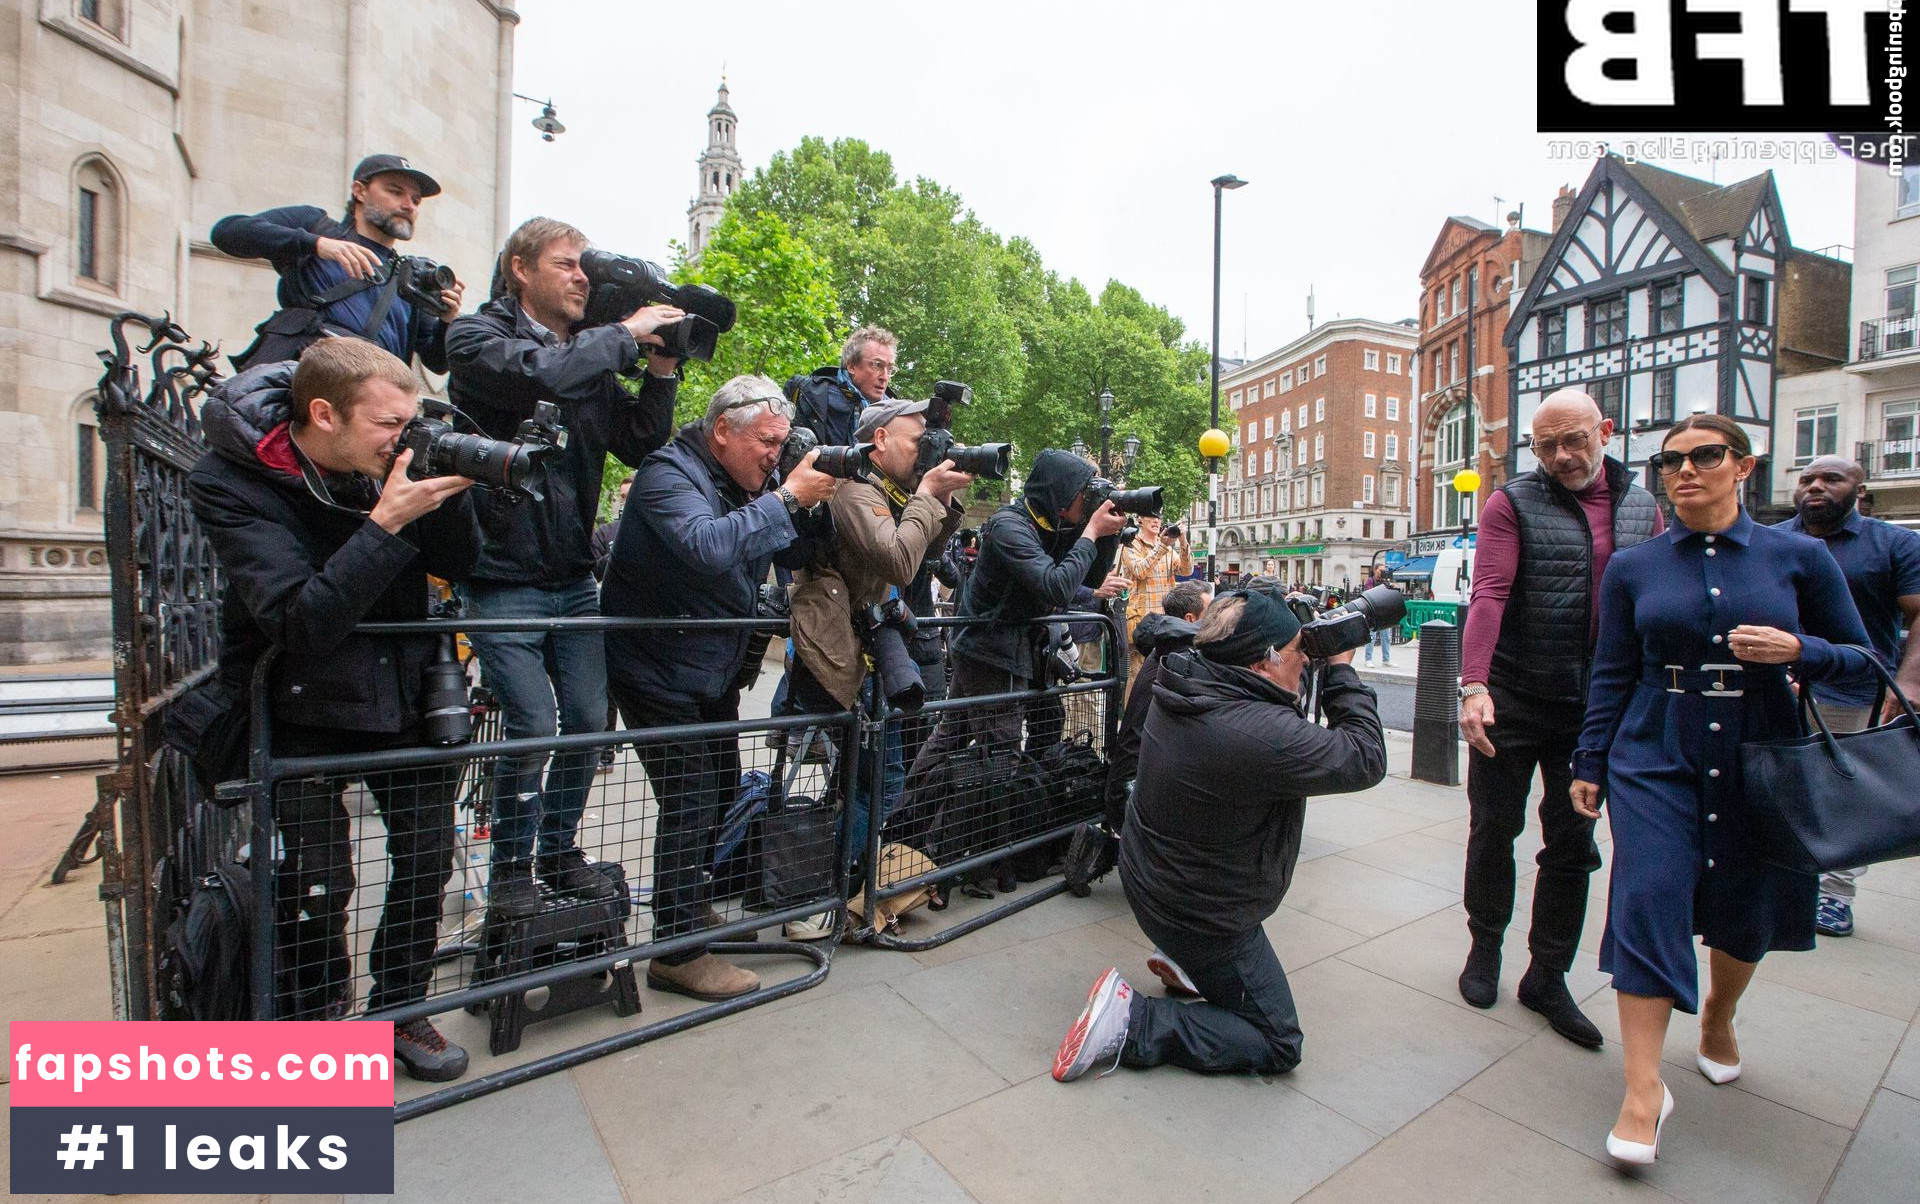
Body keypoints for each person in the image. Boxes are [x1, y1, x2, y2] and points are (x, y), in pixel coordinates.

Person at [1571, 415, 1872, 1164]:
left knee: (1747, 904)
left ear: (1743, 465)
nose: (1685, 470)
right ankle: (1643, 1090)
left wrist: (1801, 649)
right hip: (1654, 742)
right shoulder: (1634, 567)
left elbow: (1868, 659)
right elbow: (1611, 670)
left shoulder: (1797, 557)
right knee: (1647, 894)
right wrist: (1590, 760)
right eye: (1669, 460)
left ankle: (1718, 1014)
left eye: (1705, 455)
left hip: (1759, 744)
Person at [186, 339, 479, 1081]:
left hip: (409, 692)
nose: (401, 437)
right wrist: (384, 524)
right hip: (302, 701)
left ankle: (400, 1009)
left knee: (425, 857)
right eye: (388, 423)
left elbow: (462, 564)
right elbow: (299, 622)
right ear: (324, 414)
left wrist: (450, 490)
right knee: (321, 879)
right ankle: (322, 1030)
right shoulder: (233, 478)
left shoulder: (388, 461)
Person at [445, 217, 685, 915]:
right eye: (568, 264)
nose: (584, 276)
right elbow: (537, 376)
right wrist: (623, 335)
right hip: (499, 574)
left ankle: (557, 852)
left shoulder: (588, 357)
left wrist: (663, 368)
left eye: (586, 266)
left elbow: (638, 442)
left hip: (573, 576)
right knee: (533, 725)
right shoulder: (475, 337)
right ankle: (513, 867)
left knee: (586, 720)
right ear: (521, 268)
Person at [1051, 590, 1387, 1082]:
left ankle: (1193, 968)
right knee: (1277, 1041)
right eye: (1299, 652)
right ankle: (1133, 1020)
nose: (1304, 662)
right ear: (1265, 663)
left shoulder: (1188, 674)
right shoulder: (1258, 731)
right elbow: (1366, 756)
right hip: (1200, 916)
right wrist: (1339, 669)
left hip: (1152, 882)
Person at [602, 377, 837, 1001]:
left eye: (781, 444)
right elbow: (704, 548)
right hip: (656, 670)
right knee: (691, 798)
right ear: (722, 429)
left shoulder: (742, 485)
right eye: (767, 441)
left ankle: (687, 907)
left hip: (708, 673)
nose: (774, 455)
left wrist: (832, 500)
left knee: (722, 788)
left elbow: (792, 553)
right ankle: (677, 951)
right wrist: (788, 498)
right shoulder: (667, 475)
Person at [1455, 388, 1663, 1048]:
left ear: (1605, 429)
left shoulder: (1642, 505)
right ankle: (1484, 947)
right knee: (1494, 828)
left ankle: (1547, 974)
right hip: (1513, 698)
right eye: (1547, 446)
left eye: (1575, 440)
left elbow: (1653, 603)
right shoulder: (1510, 502)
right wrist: (1474, 685)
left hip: (1593, 711)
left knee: (1573, 846)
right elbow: (1488, 592)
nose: (1563, 456)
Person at [785, 399, 972, 937]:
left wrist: (943, 496)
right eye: (919, 441)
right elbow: (898, 560)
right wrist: (928, 495)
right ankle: (828, 895)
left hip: (867, 649)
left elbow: (927, 558)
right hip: (839, 652)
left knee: (878, 777)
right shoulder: (855, 489)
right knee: (867, 780)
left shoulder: (886, 491)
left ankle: (849, 893)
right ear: (881, 438)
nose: (927, 451)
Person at [905, 449, 1127, 784]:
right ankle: (979, 822)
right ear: (1061, 494)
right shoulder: (1009, 526)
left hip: (1005, 647)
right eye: (1084, 492)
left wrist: (1105, 536)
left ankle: (910, 818)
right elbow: (1056, 587)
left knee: (1033, 722)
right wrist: (1091, 532)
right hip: (990, 650)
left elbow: (1090, 579)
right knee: (999, 745)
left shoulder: (1052, 523)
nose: (1088, 499)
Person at [1773, 455, 1920, 938]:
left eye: (1831, 479)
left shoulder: (1893, 543)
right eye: (1808, 479)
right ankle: (1789, 881)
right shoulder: (1774, 539)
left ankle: (1835, 894)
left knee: (1847, 793)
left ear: (1859, 489)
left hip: (1857, 690)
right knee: (1787, 785)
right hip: (1785, 685)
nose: (1816, 486)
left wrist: (1911, 680)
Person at [212, 154, 463, 372]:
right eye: (395, 191)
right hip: (304, 384)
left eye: (416, 200)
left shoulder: (411, 277)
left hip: (373, 401)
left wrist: (447, 320)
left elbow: (437, 362)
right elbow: (227, 232)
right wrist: (316, 244)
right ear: (360, 191)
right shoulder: (316, 225)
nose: (409, 205)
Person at [1066, 581, 1212, 899]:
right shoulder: (1180, 660)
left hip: (1136, 785)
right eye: (1210, 612)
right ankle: (1107, 850)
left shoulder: (1169, 649)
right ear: (1190, 620)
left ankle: (1117, 850)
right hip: (1135, 792)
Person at [785, 325, 899, 445]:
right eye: (877, 365)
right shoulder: (807, 392)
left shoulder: (892, 413)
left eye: (890, 368)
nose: (885, 377)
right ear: (851, 366)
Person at [1116, 515, 1194, 687]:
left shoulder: (1165, 546)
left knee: (1164, 675)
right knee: (1138, 677)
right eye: (1151, 517)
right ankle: (1134, 713)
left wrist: (1182, 541)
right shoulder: (1131, 544)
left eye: (1158, 517)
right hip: (1142, 623)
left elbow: (1186, 570)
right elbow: (1139, 571)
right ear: (1139, 520)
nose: (1156, 521)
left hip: (1166, 622)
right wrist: (1162, 546)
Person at [1359, 567, 1395, 665]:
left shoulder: (1386, 582)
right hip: (1373, 613)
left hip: (1384, 613)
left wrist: (1391, 587)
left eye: (1384, 571)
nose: (1382, 573)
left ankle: (1386, 659)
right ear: (1375, 570)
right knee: (1372, 636)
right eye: (1380, 570)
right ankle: (1368, 659)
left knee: (1386, 636)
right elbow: (1369, 594)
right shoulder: (1370, 581)